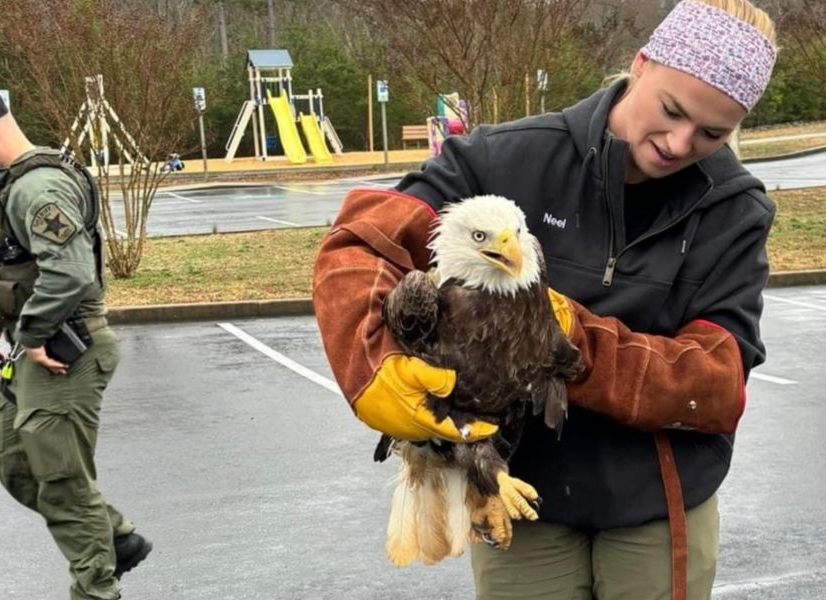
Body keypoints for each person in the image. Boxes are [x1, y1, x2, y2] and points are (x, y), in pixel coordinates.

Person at [313, 0, 777, 598]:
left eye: (713, 133)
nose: (680, 141)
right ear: (641, 63)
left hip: (658, 497)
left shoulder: (733, 211)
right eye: (671, 110)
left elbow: (716, 382)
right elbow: (361, 244)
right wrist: (370, 364)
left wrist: (564, 341)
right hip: (513, 481)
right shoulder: (502, 158)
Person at [0, 84, 151, 600]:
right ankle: (114, 537)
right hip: (38, 348)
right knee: (9, 452)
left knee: (62, 481)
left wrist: (27, 334)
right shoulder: (8, 183)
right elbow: (28, 274)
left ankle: (96, 589)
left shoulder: (38, 187)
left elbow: (70, 274)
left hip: (64, 354)